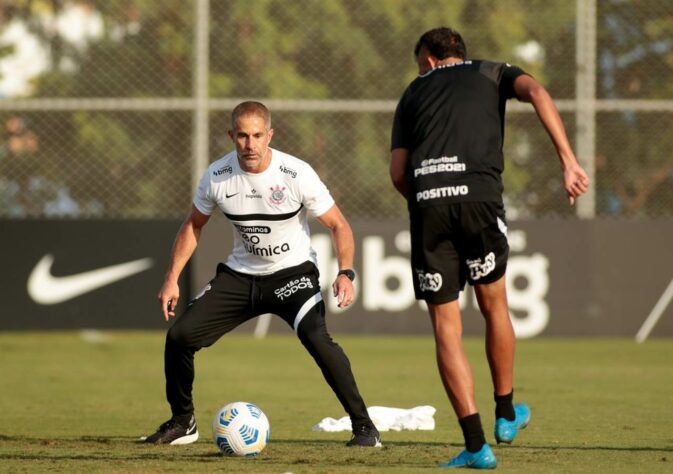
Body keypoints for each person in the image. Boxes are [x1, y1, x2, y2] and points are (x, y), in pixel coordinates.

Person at [389, 28, 589, 469]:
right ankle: (505, 413)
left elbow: (399, 171)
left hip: (429, 205)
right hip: (479, 200)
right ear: (461, 52)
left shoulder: (412, 91)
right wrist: (568, 161)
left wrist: (427, 203)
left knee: (446, 326)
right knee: (494, 305)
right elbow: (536, 91)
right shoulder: (492, 72)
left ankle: (477, 446)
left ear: (428, 59)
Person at [143, 101, 381, 448]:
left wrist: (346, 272)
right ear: (231, 136)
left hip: (292, 276)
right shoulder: (217, 176)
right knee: (179, 337)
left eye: (257, 135)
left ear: (270, 135)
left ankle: (364, 428)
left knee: (318, 339)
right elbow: (194, 225)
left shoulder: (296, 173)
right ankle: (184, 422)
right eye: (241, 135)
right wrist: (171, 277)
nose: (249, 144)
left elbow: (338, 225)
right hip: (240, 277)